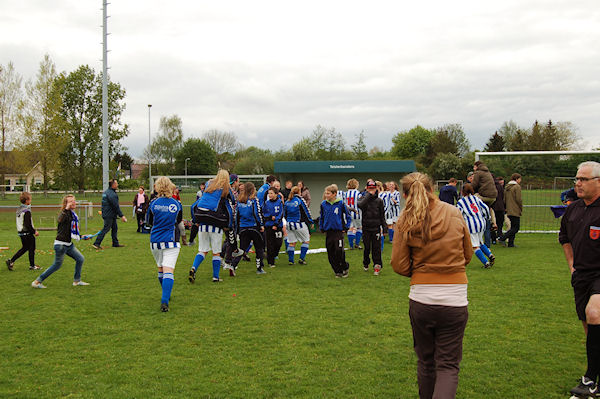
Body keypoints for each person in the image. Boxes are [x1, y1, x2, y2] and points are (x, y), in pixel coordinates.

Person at [390, 172, 473, 399]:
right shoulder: (454, 213)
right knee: (447, 365)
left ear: (405, 195)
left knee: (426, 362)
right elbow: (467, 255)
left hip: (422, 299)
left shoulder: (405, 220)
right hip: (454, 298)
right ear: (432, 189)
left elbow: (398, 264)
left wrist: (421, 271)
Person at [559, 161, 600, 398]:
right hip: (581, 276)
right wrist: (571, 265)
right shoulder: (573, 209)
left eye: (583, 179)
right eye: (577, 179)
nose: (578, 183)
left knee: (595, 314)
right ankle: (594, 377)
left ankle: (589, 380)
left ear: (598, 182)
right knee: (590, 327)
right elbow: (564, 237)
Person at [31, 195, 89, 289]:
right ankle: (37, 282)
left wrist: (82, 237)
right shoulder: (64, 213)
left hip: (68, 245)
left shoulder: (72, 215)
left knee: (80, 259)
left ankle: (77, 281)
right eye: (70, 201)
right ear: (66, 204)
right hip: (61, 245)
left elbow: (70, 231)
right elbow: (60, 220)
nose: (73, 203)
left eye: (74, 201)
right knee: (56, 265)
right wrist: (66, 209)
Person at [189, 169, 235, 283]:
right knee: (216, 252)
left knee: (202, 250)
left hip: (202, 221)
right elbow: (232, 202)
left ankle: (193, 268)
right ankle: (215, 277)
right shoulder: (226, 188)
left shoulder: (209, 183)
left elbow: (194, 205)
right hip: (215, 221)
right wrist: (229, 225)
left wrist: (195, 220)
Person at [147, 177, 183, 312]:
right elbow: (179, 221)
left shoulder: (153, 204)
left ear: (157, 187)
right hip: (171, 240)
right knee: (169, 270)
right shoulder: (176, 204)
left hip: (155, 241)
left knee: (161, 269)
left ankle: (165, 295)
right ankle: (164, 300)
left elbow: (149, 222)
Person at [230, 182, 267, 274]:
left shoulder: (239, 200)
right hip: (254, 227)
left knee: (242, 248)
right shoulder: (254, 200)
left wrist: (237, 228)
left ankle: (233, 265)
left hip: (243, 227)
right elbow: (257, 213)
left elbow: (236, 215)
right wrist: (261, 224)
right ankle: (259, 268)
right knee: (259, 247)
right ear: (253, 189)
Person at [456, 184, 496, 268]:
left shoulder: (461, 202)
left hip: (471, 225)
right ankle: (490, 255)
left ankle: (486, 263)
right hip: (481, 223)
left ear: (462, 192)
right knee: (480, 242)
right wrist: (487, 217)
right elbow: (485, 207)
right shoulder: (476, 198)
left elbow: (458, 213)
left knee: (474, 246)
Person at [319, 184, 351, 278]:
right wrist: (322, 227)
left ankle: (345, 266)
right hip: (329, 232)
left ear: (334, 194)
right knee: (330, 252)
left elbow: (348, 216)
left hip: (338, 231)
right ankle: (337, 271)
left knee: (339, 251)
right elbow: (322, 217)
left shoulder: (340, 203)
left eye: (328, 193)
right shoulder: (323, 204)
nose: (326, 195)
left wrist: (346, 227)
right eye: (326, 193)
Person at [358, 179, 388, 275]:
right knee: (367, 248)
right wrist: (368, 195)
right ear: (366, 188)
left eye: (373, 188)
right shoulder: (363, 198)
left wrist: (385, 227)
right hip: (366, 228)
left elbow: (382, 215)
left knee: (376, 248)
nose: (372, 190)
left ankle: (377, 265)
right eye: (370, 188)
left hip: (376, 228)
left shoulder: (379, 201)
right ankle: (366, 263)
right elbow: (360, 205)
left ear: (376, 189)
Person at [6, 192, 40, 271]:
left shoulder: (19, 209)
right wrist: (34, 231)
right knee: (31, 248)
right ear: (27, 200)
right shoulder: (26, 211)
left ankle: (11, 261)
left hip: (21, 233)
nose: (31, 200)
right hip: (27, 233)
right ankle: (32, 266)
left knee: (24, 248)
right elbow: (28, 224)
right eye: (30, 199)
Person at [93, 179, 127, 249]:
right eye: (116, 183)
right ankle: (96, 243)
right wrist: (122, 216)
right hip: (109, 215)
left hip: (109, 214)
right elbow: (115, 206)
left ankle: (115, 243)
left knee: (114, 228)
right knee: (106, 229)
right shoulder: (112, 194)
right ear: (113, 185)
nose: (117, 185)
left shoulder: (106, 192)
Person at [284, 186, 313, 265]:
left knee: (291, 243)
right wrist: (311, 221)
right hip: (299, 224)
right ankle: (301, 259)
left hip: (289, 224)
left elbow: (284, 214)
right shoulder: (300, 200)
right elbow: (306, 211)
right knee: (306, 240)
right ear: (299, 192)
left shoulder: (287, 201)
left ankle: (291, 261)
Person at [472, 161, 498, 248]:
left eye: (474, 167)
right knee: (487, 218)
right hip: (493, 197)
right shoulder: (488, 172)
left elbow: (474, 185)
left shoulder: (478, 173)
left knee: (473, 198)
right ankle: (487, 243)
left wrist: (468, 191)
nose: (473, 169)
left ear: (477, 166)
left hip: (485, 196)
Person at [497, 173, 522, 248]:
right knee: (516, 228)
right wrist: (520, 207)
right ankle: (502, 238)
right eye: (520, 179)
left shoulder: (507, 187)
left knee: (513, 227)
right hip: (515, 209)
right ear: (517, 179)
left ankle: (511, 243)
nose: (520, 181)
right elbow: (518, 199)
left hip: (508, 209)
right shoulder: (517, 187)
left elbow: (504, 199)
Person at [263, 187, 284, 268]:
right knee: (270, 244)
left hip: (278, 226)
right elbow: (263, 214)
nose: (270, 195)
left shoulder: (280, 203)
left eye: (271, 193)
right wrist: (270, 217)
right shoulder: (266, 203)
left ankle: (275, 254)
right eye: (269, 193)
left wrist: (276, 224)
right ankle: (271, 262)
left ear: (276, 194)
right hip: (269, 226)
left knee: (278, 243)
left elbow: (281, 214)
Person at [343, 178, 363, 250]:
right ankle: (357, 244)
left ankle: (351, 246)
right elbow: (361, 203)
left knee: (350, 228)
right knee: (359, 228)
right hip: (357, 213)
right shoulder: (358, 193)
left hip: (347, 213)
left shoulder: (345, 193)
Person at [491, 177, 506, 244]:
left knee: (493, 224)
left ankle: (494, 239)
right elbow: (503, 197)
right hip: (501, 207)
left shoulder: (491, 187)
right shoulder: (500, 187)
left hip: (493, 207)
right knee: (500, 223)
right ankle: (500, 236)